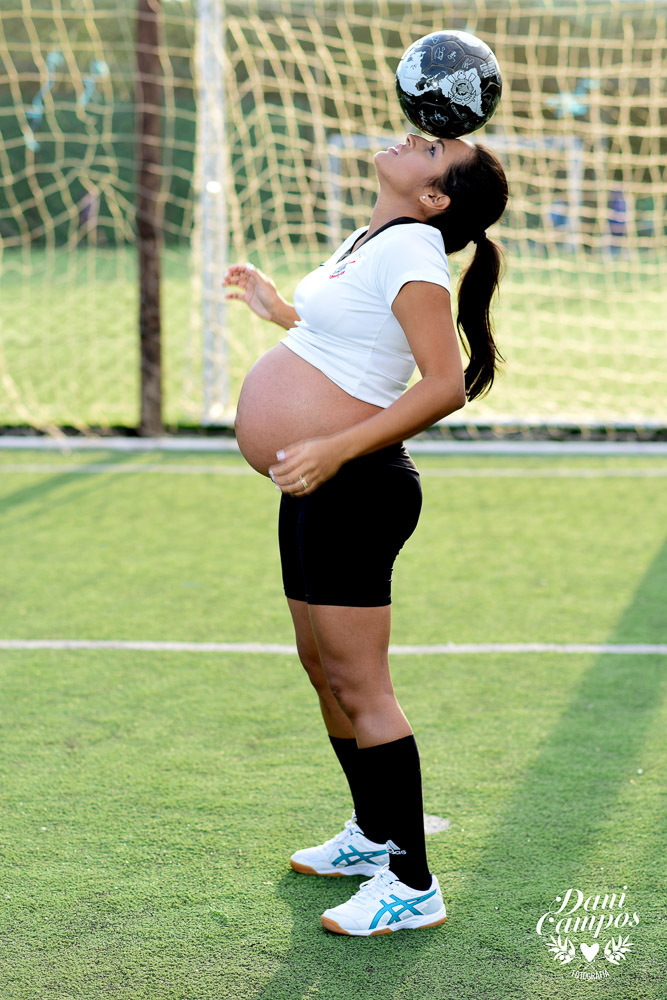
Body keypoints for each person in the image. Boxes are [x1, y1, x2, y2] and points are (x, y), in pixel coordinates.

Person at [222, 132, 509, 936]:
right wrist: (278, 310)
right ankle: (371, 835)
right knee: (323, 670)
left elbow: (444, 382)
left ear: (435, 199)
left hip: (355, 485)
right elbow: (346, 340)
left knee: (361, 686)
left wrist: (335, 445)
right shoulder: (375, 237)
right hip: (314, 483)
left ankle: (413, 884)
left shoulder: (415, 249)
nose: (414, 134)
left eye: (434, 146)